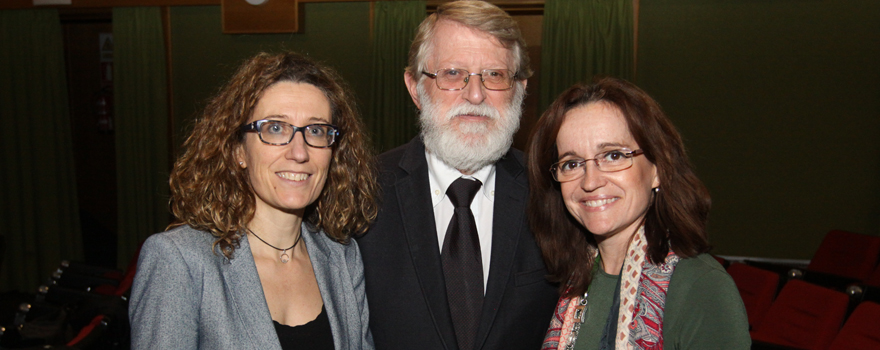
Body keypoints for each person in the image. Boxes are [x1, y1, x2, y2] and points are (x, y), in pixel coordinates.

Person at [129, 51, 379, 350]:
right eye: (275, 128)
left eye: (316, 130)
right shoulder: (179, 260)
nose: (299, 152)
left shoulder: (343, 257)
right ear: (237, 151)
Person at [355, 1, 558, 350]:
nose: (475, 94)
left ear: (520, 88)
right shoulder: (362, 192)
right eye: (452, 73)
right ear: (416, 88)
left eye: (495, 75)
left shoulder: (553, 192)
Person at [527, 77, 750, 349]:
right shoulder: (569, 282)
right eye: (572, 163)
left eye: (613, 156)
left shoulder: (701, 288)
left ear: (657, 169)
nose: (590, 181)